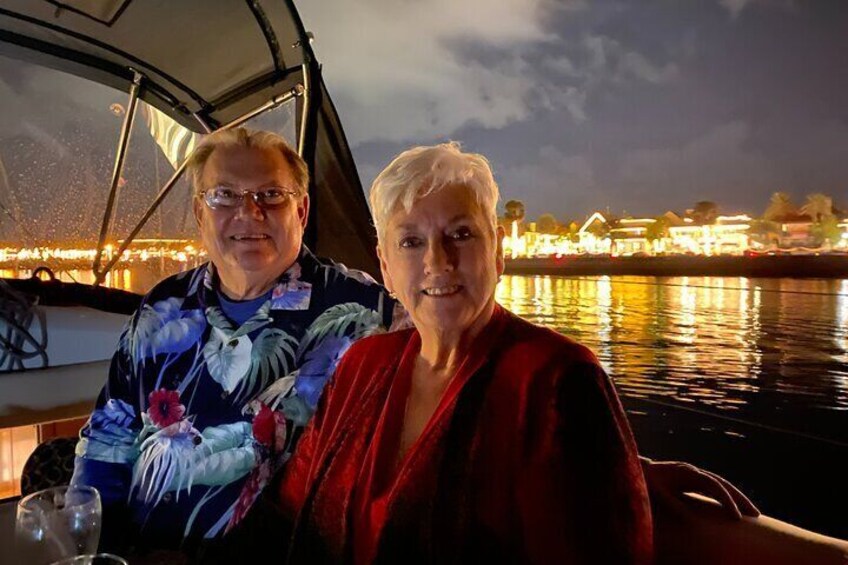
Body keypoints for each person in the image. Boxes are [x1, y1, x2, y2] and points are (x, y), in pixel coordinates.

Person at [274, 142, 654, 563]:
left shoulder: (558, 377)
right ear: (385, 266)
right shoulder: (362, 363)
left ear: (497, 250)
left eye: (460, 234)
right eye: (411, 242)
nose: (438, 261)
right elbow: (292, 506)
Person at [70, 127, 396, 556]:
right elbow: (107, 440)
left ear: (301, 211)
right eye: (224, 195)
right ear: (200, 213)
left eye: (271, 195)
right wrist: (98, 552)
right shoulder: (161, 309)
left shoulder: (367, 313)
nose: (248, 212)